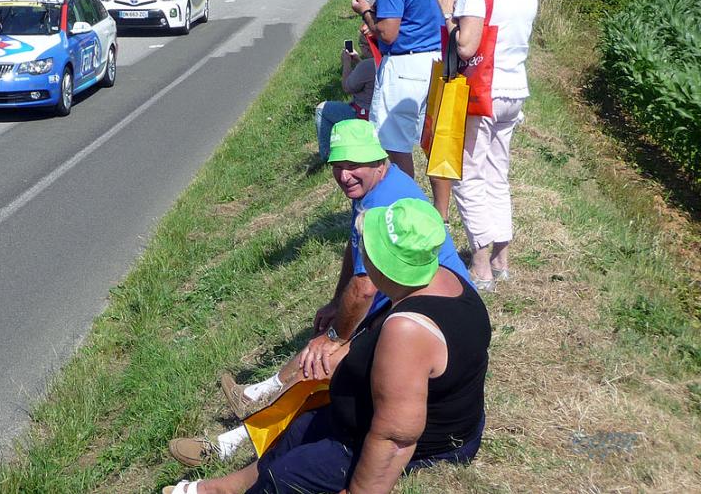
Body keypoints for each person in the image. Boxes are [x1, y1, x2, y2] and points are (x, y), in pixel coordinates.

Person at [169, 122, 473, 468]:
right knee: (326, 343)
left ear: (379, 161)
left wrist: (337, 339)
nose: (344, 176)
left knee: (325, 361)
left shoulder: (384, 204)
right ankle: (259, 395)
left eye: (353, 166)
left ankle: (233, 441)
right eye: (337, 166)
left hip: (425, 307)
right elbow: (355, 247)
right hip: (406, 293)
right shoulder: (374, 189)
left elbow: (365, 286)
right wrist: (334, 305)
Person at [165, 199, 490, 494]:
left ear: (385, 264)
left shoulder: (408, 330)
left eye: (368, 249)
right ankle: (221, 489)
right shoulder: (446, 279)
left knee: (285, 476)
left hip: (426, 446)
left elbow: (395, 438)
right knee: (296, 432)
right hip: (366, 417)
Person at [436, 0, 538, 291]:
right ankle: (502, 258)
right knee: (499, 172)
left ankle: (479, 263)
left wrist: (449, 13)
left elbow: (466, 46)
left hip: (483, 92)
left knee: (468, 174)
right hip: (515, 88)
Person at [353, 0, 453, 178]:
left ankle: (409, 205)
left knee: (395, 145)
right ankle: (440, 214)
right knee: (434, 143)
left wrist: (365, 12)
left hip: (405, 65)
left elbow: (387, 32)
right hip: (438, 59)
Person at [314, 34, 375, 162]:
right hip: (379, 115)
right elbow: (367, 74)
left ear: (368, 47)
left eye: (361, 44)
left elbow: (347, 87)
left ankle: (327, 155)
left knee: (322, 109)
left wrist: (346, 64)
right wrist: (358, 60)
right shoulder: (384, 60)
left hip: (363, 116)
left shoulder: (367, 66)